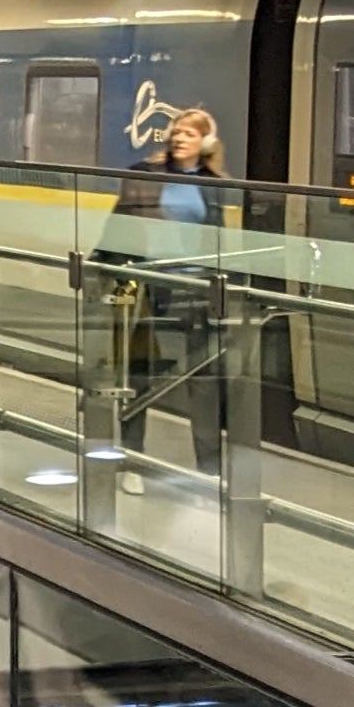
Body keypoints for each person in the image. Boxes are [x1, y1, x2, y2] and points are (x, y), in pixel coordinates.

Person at [101, 105, 230, 492]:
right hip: (148, 283)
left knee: (204, 381)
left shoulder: (213, 183)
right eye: (177, 131)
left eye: (189, 133)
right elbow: (119, 224)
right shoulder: (144, 176)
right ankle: (132, 462)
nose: (179, 137)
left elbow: (218, 235)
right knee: (140, 374)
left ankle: (210, 471)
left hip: (196, 288)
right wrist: (101, 269)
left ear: (206, 142)